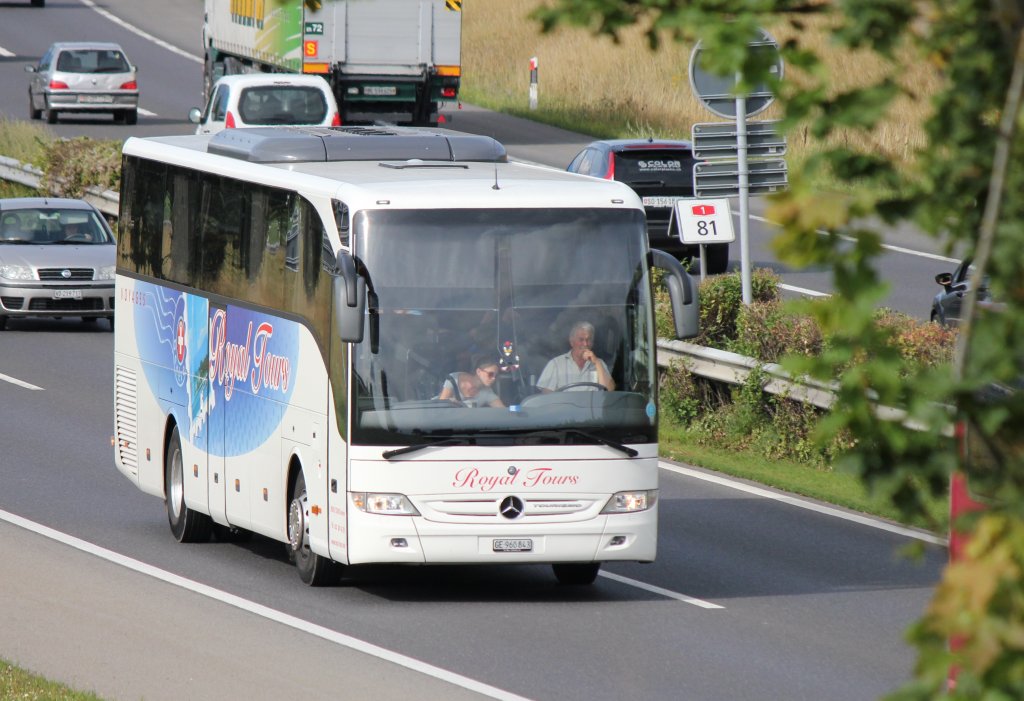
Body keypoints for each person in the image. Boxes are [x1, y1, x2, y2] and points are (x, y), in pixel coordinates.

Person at [537, 321, 615, 392]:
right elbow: (547, 396)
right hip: (565, 407)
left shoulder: (599, 363)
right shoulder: (555, 364)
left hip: (593, 407)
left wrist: (597, 363)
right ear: (572, 342)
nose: (585, 344)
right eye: (581, 340)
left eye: (589, 340)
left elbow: (610, 390)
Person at [438, 356, 505, 408]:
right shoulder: (453, 379)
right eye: (490, 374)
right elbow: (441, 406)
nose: (494, 378)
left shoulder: (487, 393)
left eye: (496, 376)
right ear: (478, 372)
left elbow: (503, 411)